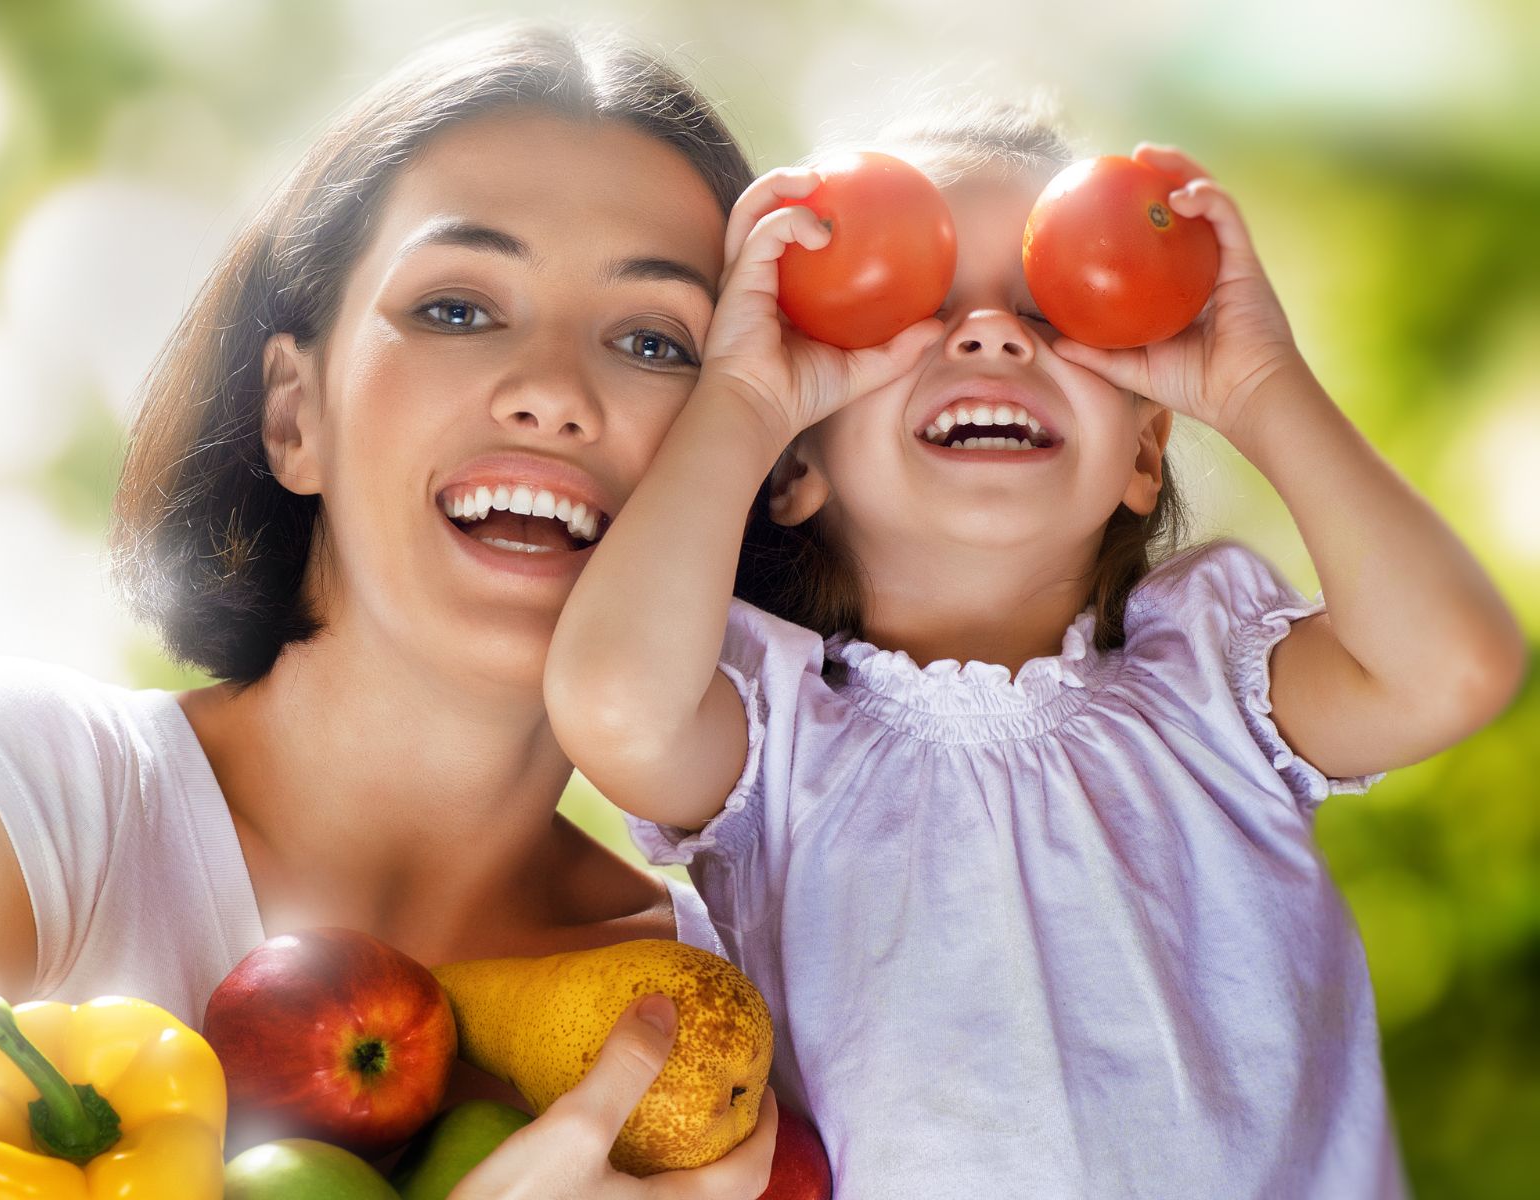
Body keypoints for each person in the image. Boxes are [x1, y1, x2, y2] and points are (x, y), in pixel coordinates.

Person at [0, 24, 781, 1198]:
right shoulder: (24, 804)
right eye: (455, 308)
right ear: (295, 417)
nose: (552, 392)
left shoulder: (718, 1019)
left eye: (654, 341)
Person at [545, 97, 1527, 1198]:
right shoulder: (773, 741)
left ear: (1142, 459)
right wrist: (740, 397)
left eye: (1053, 312)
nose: (989, 335)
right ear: (793, 468)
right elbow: (611, 707)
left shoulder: (1213, 691)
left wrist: (1259, 387)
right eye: (906, 309)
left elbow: (1454, 667)